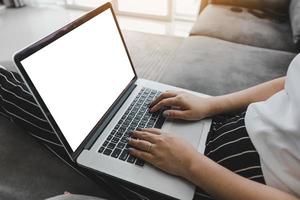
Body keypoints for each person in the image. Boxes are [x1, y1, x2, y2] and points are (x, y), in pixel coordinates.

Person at [1, 54, 299, 200]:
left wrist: (191, 166)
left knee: (75, 135)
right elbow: (290, 85)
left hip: (230, 183)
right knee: (119, 101)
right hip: (231, 124)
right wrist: (212, 104)